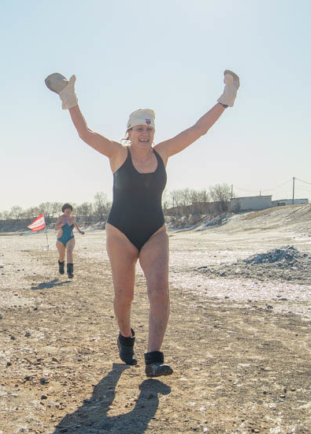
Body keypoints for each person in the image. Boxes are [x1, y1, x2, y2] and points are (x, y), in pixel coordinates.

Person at [46, 70, 240, 377]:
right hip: (120, 233)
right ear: (129, 132)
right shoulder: (117, 154)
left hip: (154, 232)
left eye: (148, 129)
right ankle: (125, 335)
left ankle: (154, 358)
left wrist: (225, 99)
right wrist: (70, 99)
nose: (144, 134)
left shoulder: (163, 153)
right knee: (124, 296)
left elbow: (198, 129)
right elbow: (85, 134)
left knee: (159, 291)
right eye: (138, 129)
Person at [55, 203, 85, 278]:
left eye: (69, 211)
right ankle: (61, 266)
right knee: (62, 256)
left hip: (70, 238)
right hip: (60, 239)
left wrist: (79, 231)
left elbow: (75, 224)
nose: (68, 213)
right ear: (64, 211)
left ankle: (70, 272)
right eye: (66, 211)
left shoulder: (73, 218)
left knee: (69, 252)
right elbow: (56, 228)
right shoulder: (60, 218)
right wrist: (62, 223)